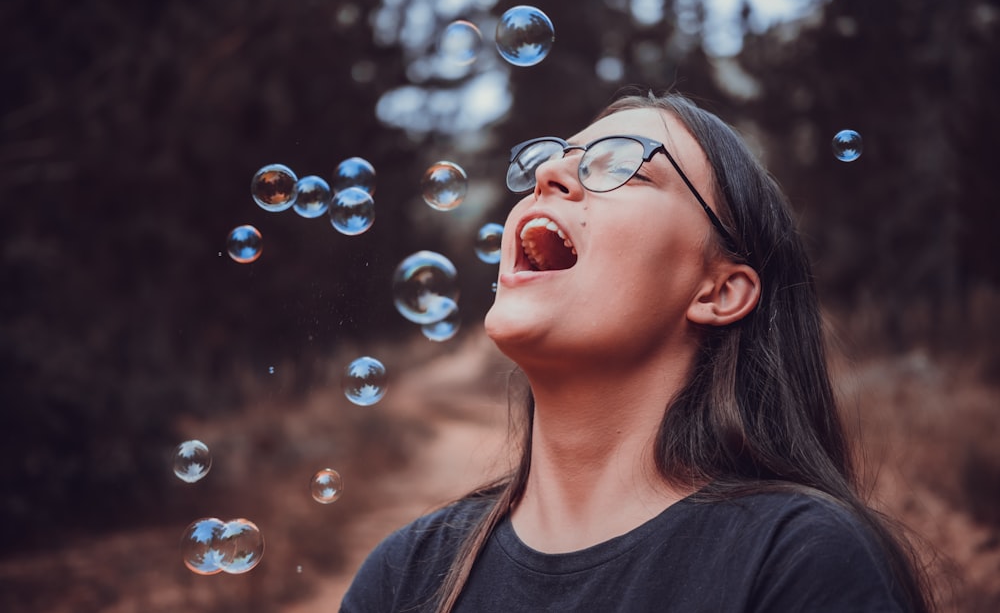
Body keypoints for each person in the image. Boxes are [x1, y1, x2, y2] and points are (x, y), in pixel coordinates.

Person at [340, 91, 934, 612]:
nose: (550, 175)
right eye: (551, 162)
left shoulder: (799, 562)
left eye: (621, 166)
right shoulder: (403, 577)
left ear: (720, 291)